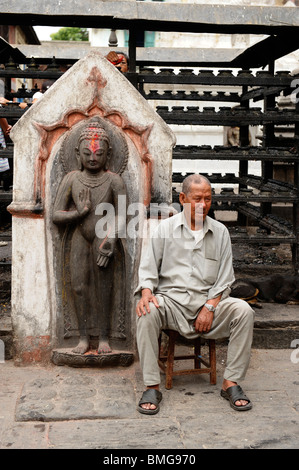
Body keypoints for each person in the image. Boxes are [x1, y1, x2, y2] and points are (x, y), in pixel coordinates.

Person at [135, 174, 254, 414]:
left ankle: (231, 382)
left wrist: (210, 307)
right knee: (146, 311)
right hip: (172, 304)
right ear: (182, 198)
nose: (203, 204)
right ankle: (151, 386)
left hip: (209, 305)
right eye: (197, 198)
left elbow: (225, 278)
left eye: (208, 199)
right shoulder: (165, 229)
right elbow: (148, 269)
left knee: (244, 311)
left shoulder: (220, 232)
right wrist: (146, 292)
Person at [53, 121, 126, 355]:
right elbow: (56, 214)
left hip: (103, 237)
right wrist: (79, 212)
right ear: (77, 154)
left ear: (109, 154)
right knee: (79, 287)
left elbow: (125, 215)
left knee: (104, 288)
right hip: (79, 237)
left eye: (99, 153)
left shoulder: (115, 181)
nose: (93, 158)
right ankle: (83, 338)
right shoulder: (72, 179)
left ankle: (104, 337)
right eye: (87, 153)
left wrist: (111, 239)